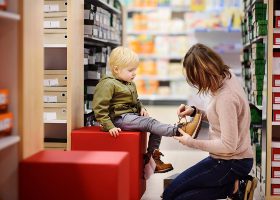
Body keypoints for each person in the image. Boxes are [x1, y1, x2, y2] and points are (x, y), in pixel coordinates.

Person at [163, 43, 257, 200]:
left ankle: (235, 187)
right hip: (225, 159)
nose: (197, 85)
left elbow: (228, 146)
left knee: (173, 196)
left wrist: (191, 142)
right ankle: (233, 187)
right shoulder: (226, 75)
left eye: (197, 79)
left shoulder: (226, 97)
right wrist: (195, 111)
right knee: (170, 193)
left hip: (231, 162)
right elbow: (223, 117)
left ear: (206, 74)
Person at [92, 46, 201, 173]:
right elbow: (99, 107)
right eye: (130, 70)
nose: (134, 73)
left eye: (135, 69)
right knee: (151, 123)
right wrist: (109, 126)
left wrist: (141, 108)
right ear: (116, 69)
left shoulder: (129, 83)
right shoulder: (108, 84)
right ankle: (179, 130)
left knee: (155, 127)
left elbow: (136, 101)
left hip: (129, 116)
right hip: (118, 119)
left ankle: (152, 160)